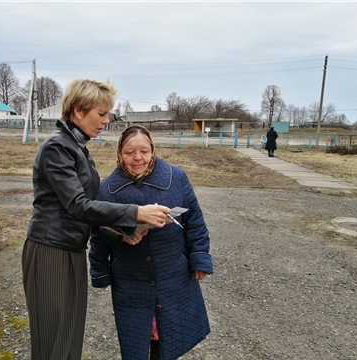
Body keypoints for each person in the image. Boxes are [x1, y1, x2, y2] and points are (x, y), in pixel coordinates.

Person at [21, 80, 171, 360]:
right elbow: (78, 205)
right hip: (50, 252)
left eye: (108, 113)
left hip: (70, 250)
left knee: (69, 337)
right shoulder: (58, 148)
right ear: (78, 111)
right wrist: (136, 213)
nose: (107, 120)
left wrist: (121, 234)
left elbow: (84, 212)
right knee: (53, 341)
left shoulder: (77, 147)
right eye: (101, 113)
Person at [89, 125, 213, 360]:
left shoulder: (176, 177)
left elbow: (194, 219)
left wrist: (199, 257)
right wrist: (100, 271)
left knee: (169, 336)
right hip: (130, 279)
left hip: (173, 273)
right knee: (138, 336)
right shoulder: (106, 189)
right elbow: (98, 232)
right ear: (119, 153)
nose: (137, 158)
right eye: (129, 152)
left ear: (153, 150)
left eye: (144, 151)